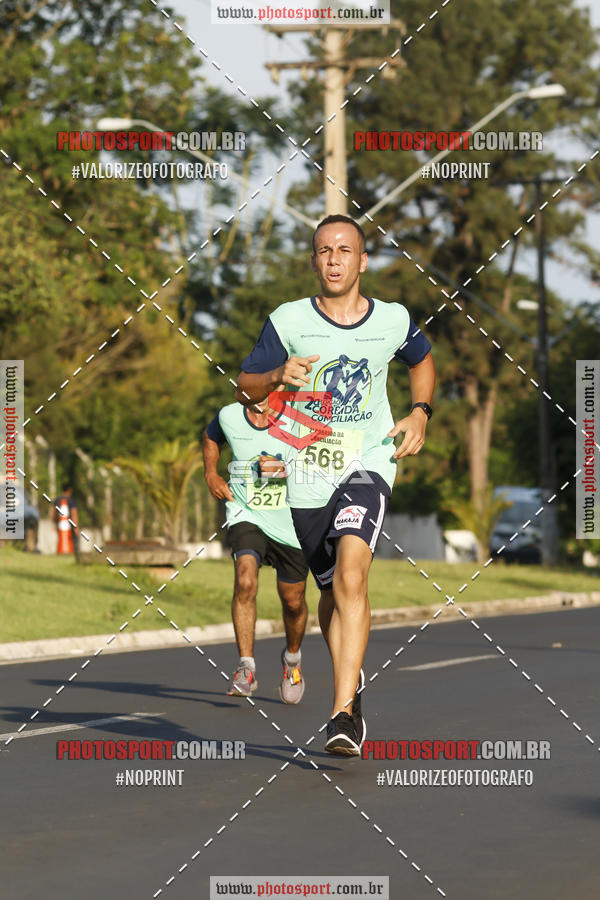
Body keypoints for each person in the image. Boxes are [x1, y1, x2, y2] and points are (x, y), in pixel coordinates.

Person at [236, 214, 435, 756]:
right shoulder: (288, 321)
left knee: (351, 575)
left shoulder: (393, 320)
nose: (333, 260)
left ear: (362, 260)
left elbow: (422, 361)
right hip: (306, 476)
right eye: (324, 251)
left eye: (344, 251)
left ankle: (342, 713)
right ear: (314, 259)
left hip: (368, 463)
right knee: (330, 594)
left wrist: (420, 413)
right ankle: (353, 680)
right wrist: (276, 376)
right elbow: (243, 386)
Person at [203, 398, 309, 703]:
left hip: (291, 522)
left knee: (293, 601)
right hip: (245, 513)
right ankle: (245, 667)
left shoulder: (300, 416)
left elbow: (325, 461)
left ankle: (292, 661)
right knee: (245, 579)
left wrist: (285, 468)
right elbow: (211, 436)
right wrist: (211, 472)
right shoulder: (230, 415)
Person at [52, 484, 79, 560]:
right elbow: (74, 514)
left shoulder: (57, 500)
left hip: (59, 524)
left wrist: (54, 523)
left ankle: (60, 552)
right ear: (69, 490)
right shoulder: (71, 501)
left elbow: (53, 513)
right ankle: (70, 553)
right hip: (69, 525)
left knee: (60, 539)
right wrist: (76, 526)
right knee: (71, 541)